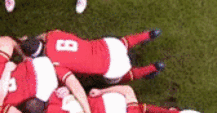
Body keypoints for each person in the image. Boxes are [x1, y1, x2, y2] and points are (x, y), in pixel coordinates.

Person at [19, 29, 163, 84]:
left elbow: (69, 81)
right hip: (107, 46)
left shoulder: (53, 64)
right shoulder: (53, 35)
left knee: (115, 79)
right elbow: (44, 35)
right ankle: (149, 34)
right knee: (122, 43)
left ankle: (152, 69)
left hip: (110, 66)